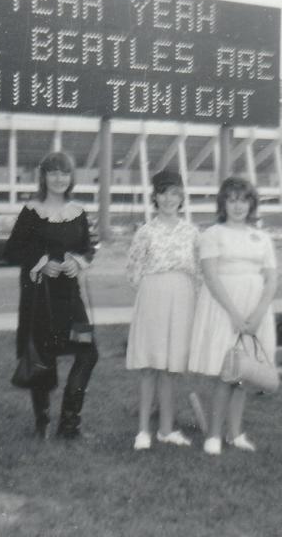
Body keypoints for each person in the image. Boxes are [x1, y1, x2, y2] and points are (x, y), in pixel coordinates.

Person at [4, 151, 98, 440]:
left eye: (65, 173)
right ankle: (42, 422)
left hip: (70, 297)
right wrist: (43, 263)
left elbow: (88, 248)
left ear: (71, 178)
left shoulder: (78, 212)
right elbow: (12, 251)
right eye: (53, 173)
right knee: (42, 357)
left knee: (88, 353)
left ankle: (69, 424)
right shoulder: (31, 212)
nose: (59, 179)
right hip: (39, 298)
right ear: (43, 177)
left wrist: (77, 261)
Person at [188, 176, 278, 455]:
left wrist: (260, 311)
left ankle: (235, 433)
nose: (238, 206)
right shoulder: (212, 234)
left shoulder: (262, 237)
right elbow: (212, 277)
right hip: (223, 307)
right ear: (223, 203)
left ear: (251, 204)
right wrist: (235, 315)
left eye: (244, 200)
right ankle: (214, 435)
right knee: (224, 373)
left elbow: (272, 278)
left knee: (244, 374)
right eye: (232, 199)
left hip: (256, 307)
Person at [125, 170, 200, 451]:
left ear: (181, 197)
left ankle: (166, 430)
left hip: (182, 300)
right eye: (163, 193)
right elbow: (132, 270)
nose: (169, 199)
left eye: (174, 193)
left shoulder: (192, 232)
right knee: (149, 366)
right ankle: (143, 430)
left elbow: (200, 273)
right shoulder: (146, 231)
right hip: (153, 298)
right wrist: (153, 290)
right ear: (154, 197)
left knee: (170, 368)